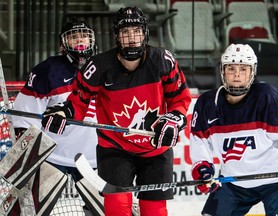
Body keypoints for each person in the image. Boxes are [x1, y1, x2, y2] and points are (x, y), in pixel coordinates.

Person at [40, 6, 192, 216]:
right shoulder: (99, 66)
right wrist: (64, 113)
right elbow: (79, 102)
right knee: (117, 208)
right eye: (125, 33)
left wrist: (175, 118)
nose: (131, 38)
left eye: (136, 31)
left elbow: (180, 99)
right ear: (116, 37)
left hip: (156, 149)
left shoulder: (161, 60)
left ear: (145, 33)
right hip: (115, 148)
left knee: (154, 211)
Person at [12, 18, 101, 215]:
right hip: (53, 157)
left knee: (112, 211)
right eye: (74, 36)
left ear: (92, 40)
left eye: (84, 36)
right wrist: (31, 158)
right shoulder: (47, 70)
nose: (80, 41)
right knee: (29, 211)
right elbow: (24, 116)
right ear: (64, 43)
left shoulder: (104, 68)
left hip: (94, 159)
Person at [190, 43, 278, 215]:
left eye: (243, 69)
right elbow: (200, 142)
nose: (236, 75)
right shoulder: (207, 104)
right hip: (233, 182)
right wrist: (203, 169)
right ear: (222, 71)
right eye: (231, 69)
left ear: (252, 72)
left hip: (277, 181)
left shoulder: (267, 97)